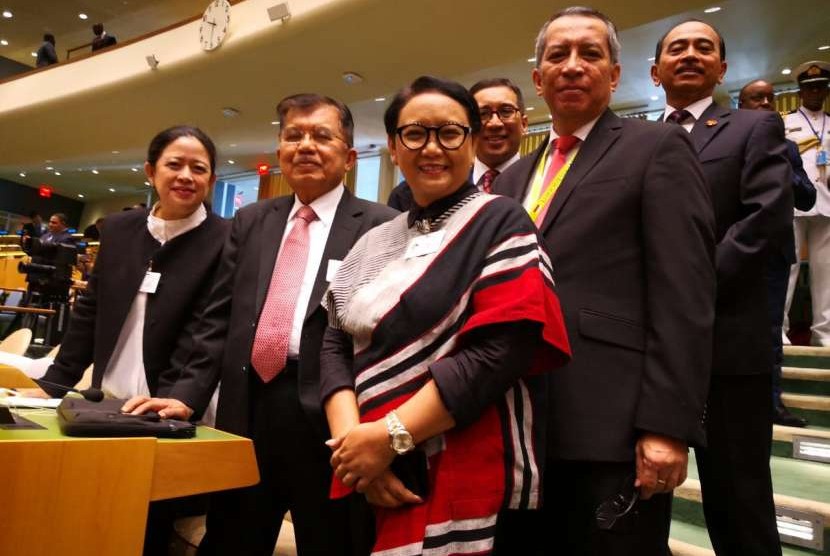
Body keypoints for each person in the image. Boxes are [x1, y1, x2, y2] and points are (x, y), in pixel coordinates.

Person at [128, 94, 397, 556]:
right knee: (231, 541)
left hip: (330, 421)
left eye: (321, 136)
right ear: (279, 151)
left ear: (350, 157)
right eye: (294, 135)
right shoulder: (252, 220)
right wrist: (186, 395)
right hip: (247, 412)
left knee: (331, 542)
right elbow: (218, 319)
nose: (305, 146)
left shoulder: (381, 226)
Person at [493, 7, 716, 554]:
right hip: (517, 427)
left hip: (610, 428)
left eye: (590, 53)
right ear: (538, 79)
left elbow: (684, 294)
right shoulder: (514, 176)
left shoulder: (655, 147)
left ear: (615, 76)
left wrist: (666, 426)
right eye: (558, 55)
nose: (573, 66)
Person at [322, 75, 571, 555]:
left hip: (460, 459)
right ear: (394, 148)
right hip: (366, 466)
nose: (432, 147)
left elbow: (502, 348)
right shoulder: (375, 239)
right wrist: (353, 446)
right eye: (415, 133)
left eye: (450, 132)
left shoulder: (501, 220)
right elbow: (333, 340)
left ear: (472, 141)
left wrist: (389, 438)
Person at [18, 125, 228, 553]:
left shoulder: (225, 239)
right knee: (86, 510)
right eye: (174, 164)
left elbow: (212, 329)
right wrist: (54, 386)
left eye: (199, 168)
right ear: (151, 171)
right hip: (107, 399)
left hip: (170, 404)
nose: (186, 175)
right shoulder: (119, 229)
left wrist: (180, 399)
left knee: (146, 522)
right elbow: (89, 313)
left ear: (211, 180)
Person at [652, 20, 793, 556]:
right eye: (677, 48)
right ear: (655, 70)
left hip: (728, 347)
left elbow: (765, 222)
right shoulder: (636, 140)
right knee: (640, 502)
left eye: (704, 47)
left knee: (738, 501)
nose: (690, 55)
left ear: (722, 68)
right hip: (650, 351)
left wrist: (687, 289)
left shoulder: (753, 129)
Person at [739, 79, 816, 427]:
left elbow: (808, 197)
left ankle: (772, 405)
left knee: (771, 333)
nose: (766, 103)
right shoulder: (729, 142)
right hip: (733, 253)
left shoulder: (788, 149)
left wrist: (780, 164)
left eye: (771, 98)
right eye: (757, 98)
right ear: (742, 106)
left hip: (773, 256)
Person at [386, 77, 528, 211]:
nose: (494, 123)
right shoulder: (406, 194)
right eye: (483, 113)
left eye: (506, 111)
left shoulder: (542, 179)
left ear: (524, 123)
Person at [783, 61, 830, 346]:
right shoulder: (785, 122)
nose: (815, 92)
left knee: (826, 271)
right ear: (800, 92)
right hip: (794, 203)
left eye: (820, 87)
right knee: (788, 268)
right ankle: (780, 329)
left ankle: (824, 334)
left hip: (827, 204)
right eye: (809, 88)